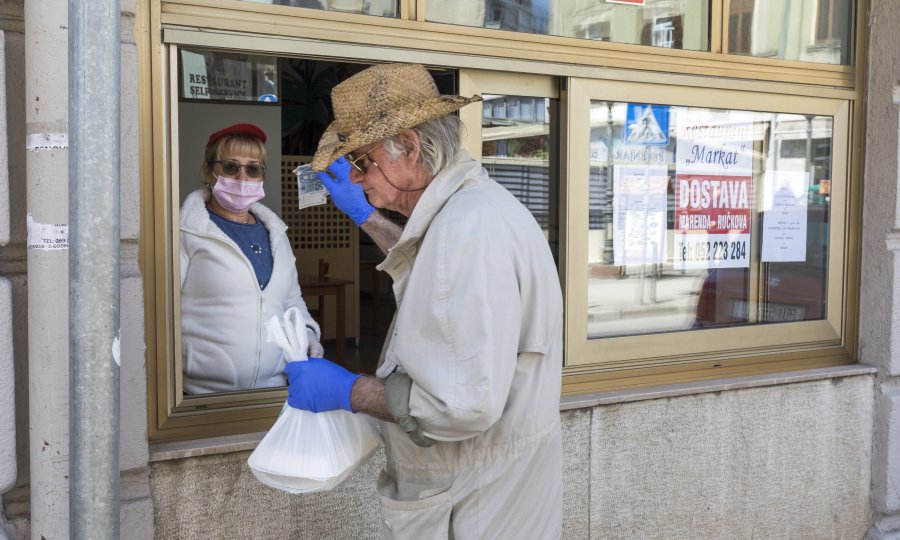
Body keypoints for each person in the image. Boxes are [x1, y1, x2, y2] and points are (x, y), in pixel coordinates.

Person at [286, 64, 564, 539]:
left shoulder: (466, 230)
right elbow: (431, 274)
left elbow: (459, 407)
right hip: (489, 490)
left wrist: (349, 390)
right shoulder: (474, 207)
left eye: (361, 162)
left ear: (411, 147)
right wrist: (366, 215)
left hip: (475, 505)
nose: (355, 180)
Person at [179, 123, 323, 394]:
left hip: (274, 393)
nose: (242, 177)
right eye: (231, 167)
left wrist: (308, 332)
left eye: (253, 168)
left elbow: (291, 300)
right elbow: (162, 312)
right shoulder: (186, 232)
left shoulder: (276, 234)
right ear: (208, 171)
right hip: (200, 397)